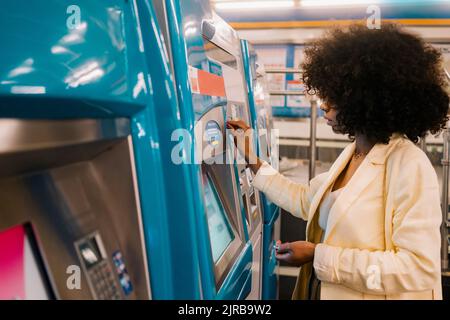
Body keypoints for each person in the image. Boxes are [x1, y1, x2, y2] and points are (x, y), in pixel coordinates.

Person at [227, 23, 449, 300]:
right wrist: (252, 160)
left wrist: (319, 255)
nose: (323, 104)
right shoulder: (355, 153)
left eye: (336, 96)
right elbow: (307, 200)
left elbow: (418, 268)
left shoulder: (409, 164)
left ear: (369, 100)